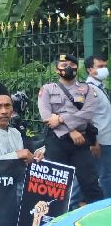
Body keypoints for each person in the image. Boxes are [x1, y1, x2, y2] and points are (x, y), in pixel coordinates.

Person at [37, 54, 104, 205]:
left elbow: (87, 114)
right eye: (64, 65)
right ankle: (57, 216)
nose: (68, 67)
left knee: (90, 182)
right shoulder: (47, 89)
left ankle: (99, 214)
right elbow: (47, 116)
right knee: (57, 186)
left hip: (80, 142)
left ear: (77, 67)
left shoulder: (87, 90)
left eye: (72, 64)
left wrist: (61, 119)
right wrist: (70, 131)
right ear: (57, 69)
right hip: (56, 142)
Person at [84, 55, 111, 198]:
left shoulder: (100, 87)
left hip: (106, 138)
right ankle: (106, 206)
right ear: (90, 70)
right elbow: (87, 118)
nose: (104, 69)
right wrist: (93, 141)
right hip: (100, 140)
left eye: (105, 66)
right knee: (105, 176)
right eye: (100, 67)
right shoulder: (89, 89)